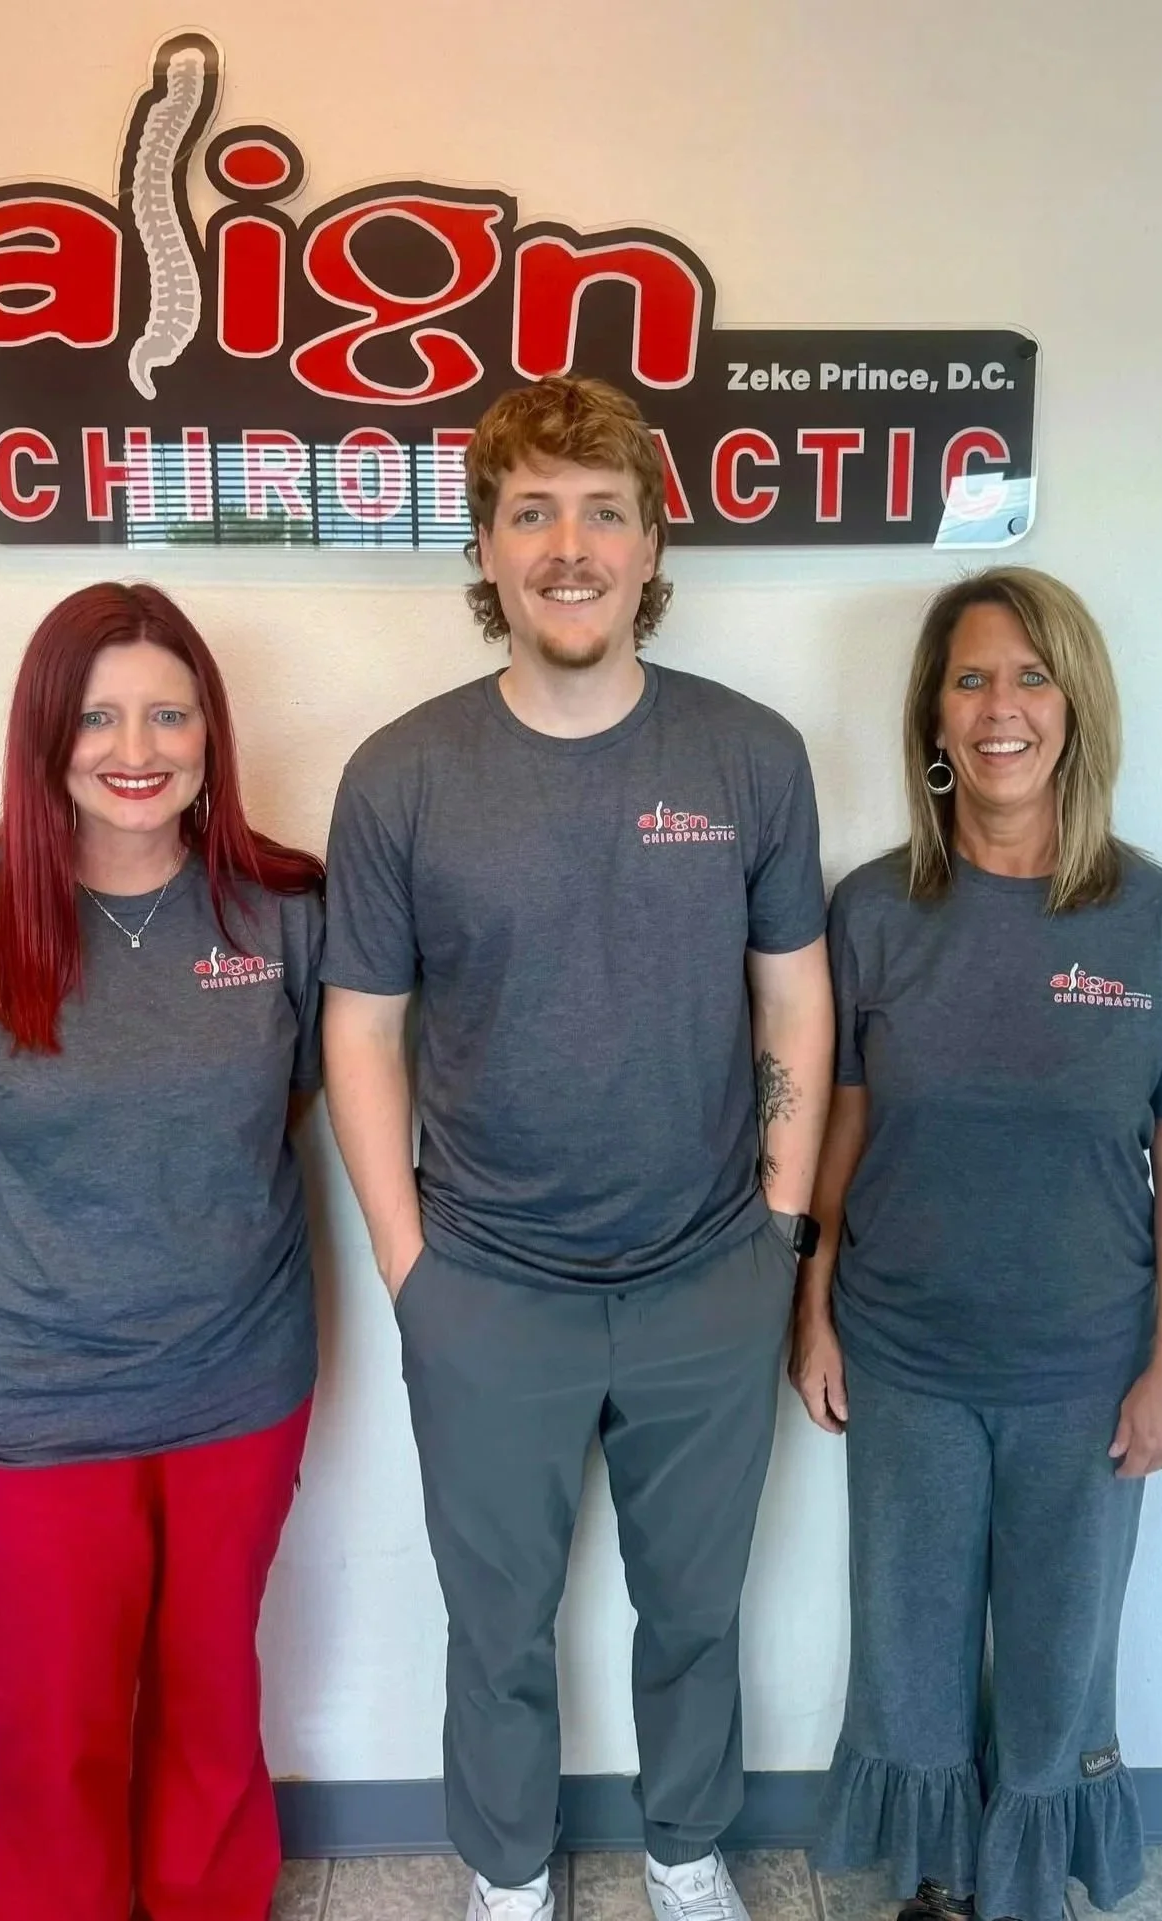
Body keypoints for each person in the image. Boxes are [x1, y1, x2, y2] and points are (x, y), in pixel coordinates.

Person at [320, 375, 834, 1921]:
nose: (568, 545)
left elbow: (796, 995)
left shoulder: (748, 754)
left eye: (602, 510)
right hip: (485, 1283)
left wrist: (780, 1230)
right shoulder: (401, 776)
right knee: (499, 1620)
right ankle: (507, 1870)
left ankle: (685, 1850)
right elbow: (360, 1030)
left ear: (651, 538)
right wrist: (411, 1268)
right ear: (484, 547)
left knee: (695, 1606)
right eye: (530, 510)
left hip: (706, 1278)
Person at [794, 568, 1162, 1921]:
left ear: (1076, 707)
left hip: (1086, 1370)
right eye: (972, 679)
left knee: (1059, 1663)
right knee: (911, 1656)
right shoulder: (874, 914)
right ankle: (939, 1883)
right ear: (934, 719)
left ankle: (1027, 1885)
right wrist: (810, 1307)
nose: (1002, 708)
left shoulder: (1156, 922)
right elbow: (845, 1122)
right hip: (907, 1361)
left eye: (1031, 676)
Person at [0, 583, 326, 1921]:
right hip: (28, 1411)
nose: (139, 747)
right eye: (100, 715)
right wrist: (69, 1272)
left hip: (237, 1392)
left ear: (209, 733)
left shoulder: (281, 910)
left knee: (208, 1704)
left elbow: (282, 1111)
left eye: (170, 713)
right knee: (55, 1738)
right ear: (45, 735)